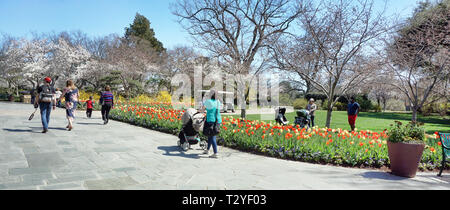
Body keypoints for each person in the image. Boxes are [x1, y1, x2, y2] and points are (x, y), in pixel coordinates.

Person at [201, 89, 222, 158]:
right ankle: (207, 150)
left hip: (211, 120)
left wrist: (199, 110)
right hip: (218, 120)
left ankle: (215, 153)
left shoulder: (208, 101)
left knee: (212, 136)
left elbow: (202, 110)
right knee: (211, 135)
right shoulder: (218, 102)